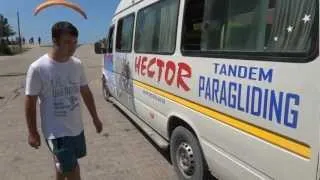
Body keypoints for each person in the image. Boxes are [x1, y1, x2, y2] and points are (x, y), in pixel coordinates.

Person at [24, 21, 103, 180]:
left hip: (76, 128)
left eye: (74, 42)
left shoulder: (77, 65)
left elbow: (85, 92)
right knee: (73, 171)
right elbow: (30, 102)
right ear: (54, 41)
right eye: (67, 42)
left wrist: (95, 118)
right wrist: (32, 132)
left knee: (62, 168)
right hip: (56, 132)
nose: (72, 47)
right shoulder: (38, 68)